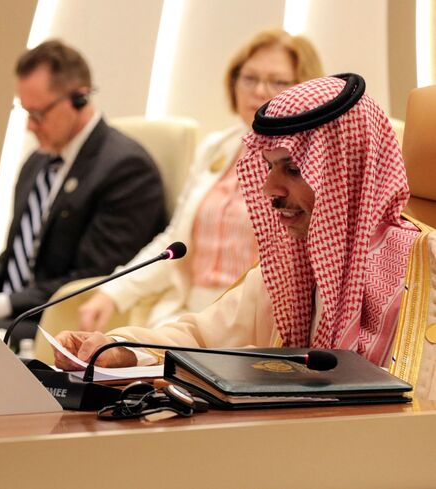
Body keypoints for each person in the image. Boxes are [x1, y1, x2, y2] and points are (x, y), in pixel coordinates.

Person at [55, 73, 436, 399]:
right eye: (269, 168)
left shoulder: (426, 268)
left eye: (292, 169)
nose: (270, 188)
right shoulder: (291, 267)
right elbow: (203, 339)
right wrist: (123, 350)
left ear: (344, 174)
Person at [78, 29, 323, 332]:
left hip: (251, 320)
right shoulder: (216, 148)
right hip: (183, 312)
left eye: (278, 81)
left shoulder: (308, 162)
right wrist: (114, 292)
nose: (260, 91)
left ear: (305, 88)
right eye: (249, 78)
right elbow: (175, 241)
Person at [0, 40, 167, 346]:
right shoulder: (36, 163)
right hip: (15, 313)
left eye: (39, 113)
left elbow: (93, 277)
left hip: (58, 323)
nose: (30, 126)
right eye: (25, 112)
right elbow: (14, 259)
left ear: (80, 99)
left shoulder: (126, 168)